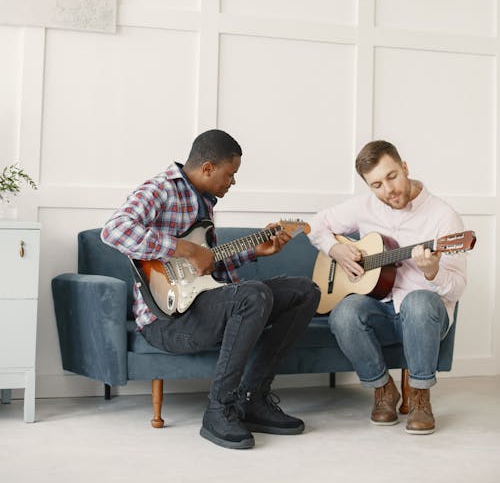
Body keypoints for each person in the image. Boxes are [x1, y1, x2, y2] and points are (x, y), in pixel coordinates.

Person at [101, 129, 320, 449]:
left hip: (200, 304)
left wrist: (254, 251)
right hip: (166, 321)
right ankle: (219, 409)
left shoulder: (203, 202)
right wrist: (182, 249)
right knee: (253, 294)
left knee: (305, 291)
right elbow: (114, 231)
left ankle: (253, 399)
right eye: (230, 174)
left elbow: (205, 270)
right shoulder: (160, 189)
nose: (232, 182)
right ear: (207, 168)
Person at [309, 139, 467, 435]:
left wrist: (433, 274)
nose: (388, 190)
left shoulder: (443, 217)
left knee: (417, 302)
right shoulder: (364, 206)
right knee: (344, 313)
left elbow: (457, 289)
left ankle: (420, 397)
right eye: (377, 185)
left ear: (405, 168)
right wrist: (335, 249)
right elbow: (316, 224)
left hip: (427, 317)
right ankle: (383, 390)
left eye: (392, 177)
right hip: (381, 309)